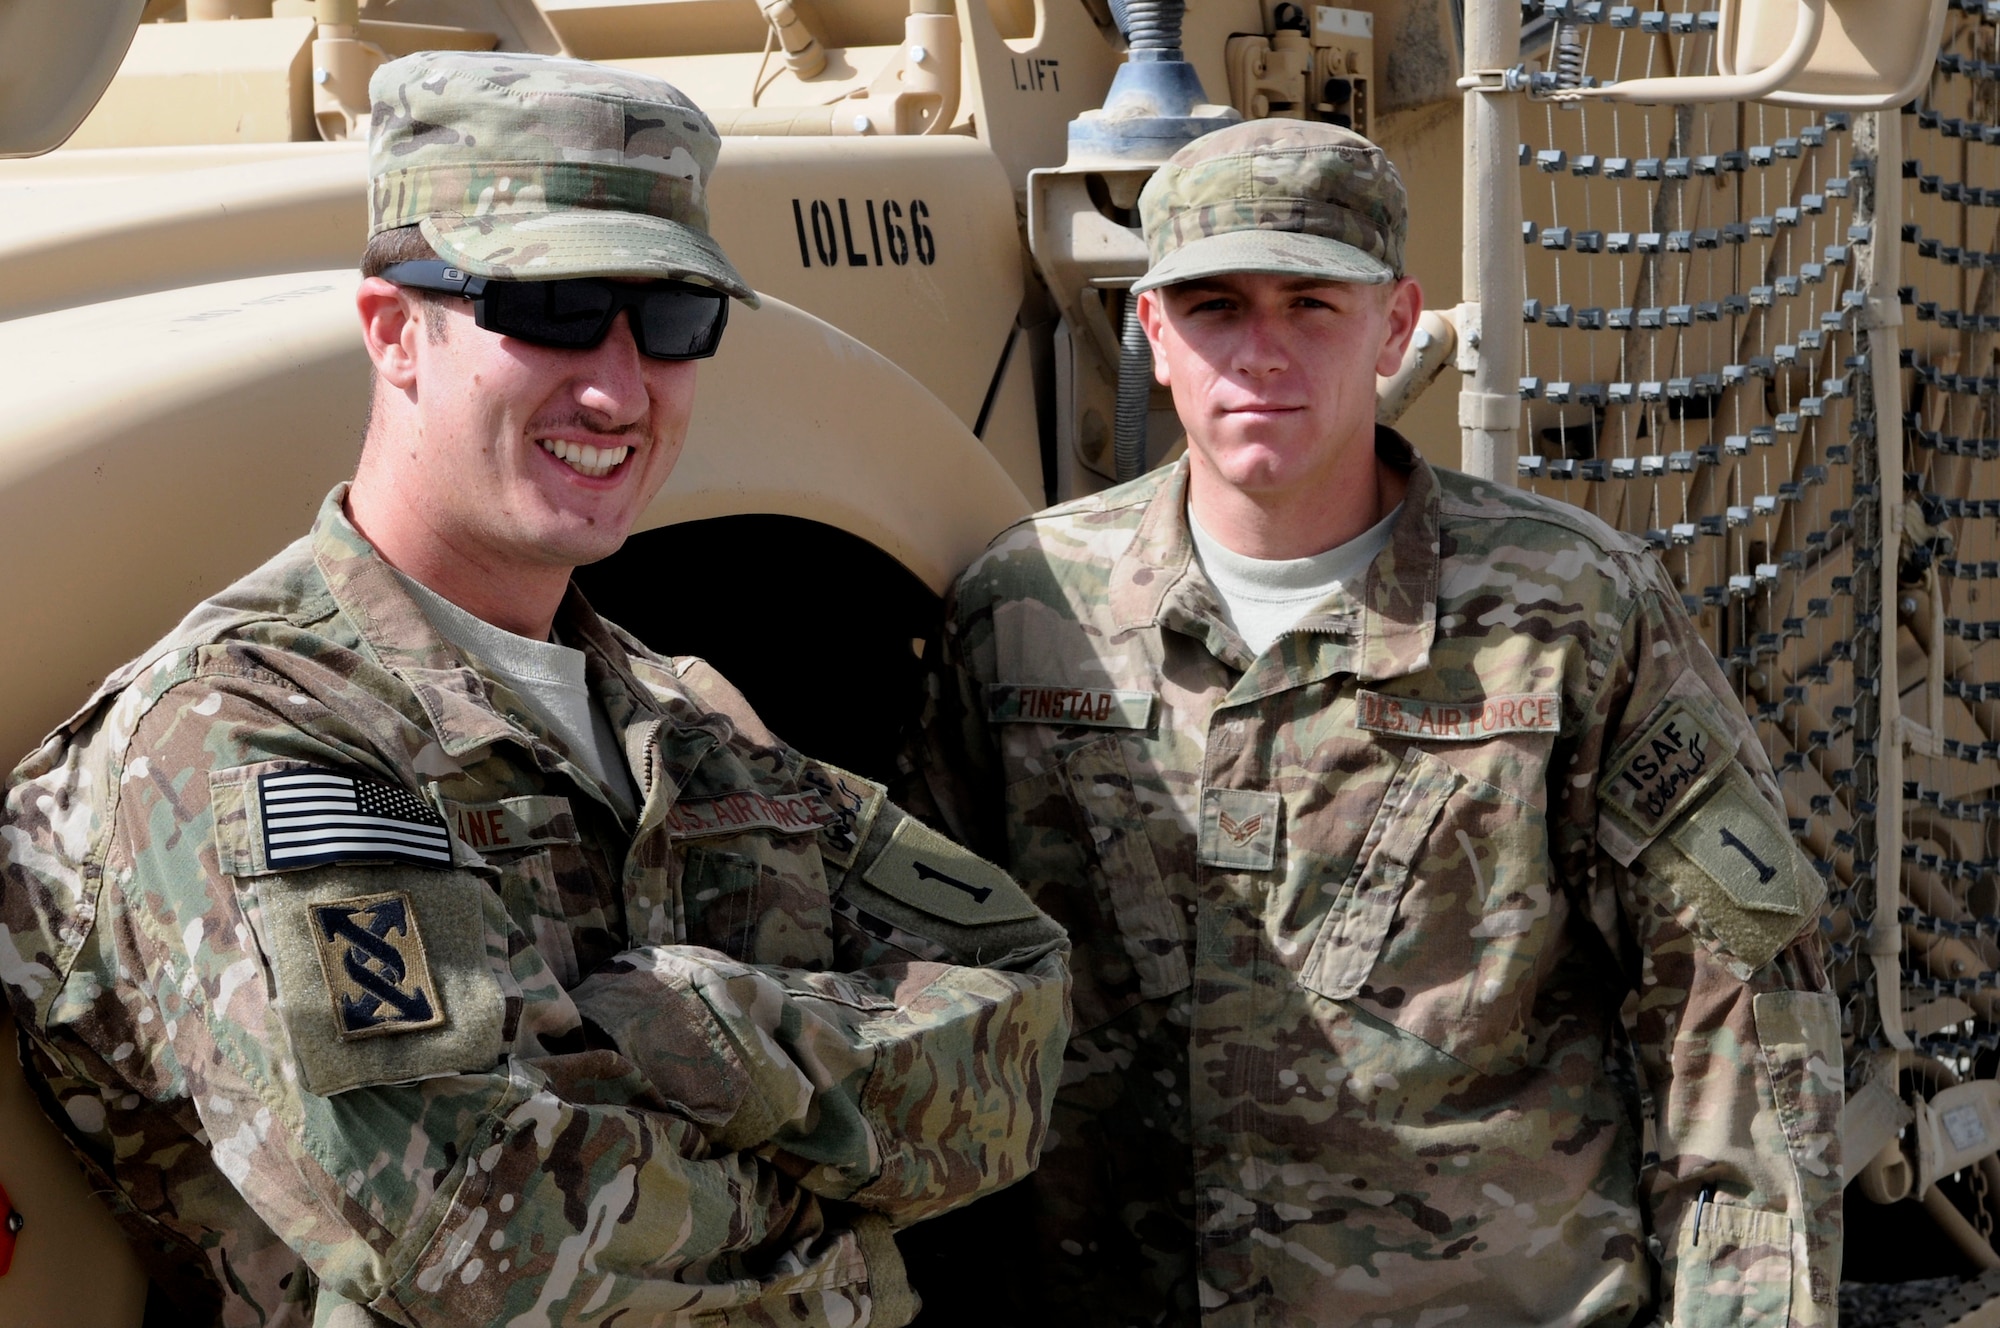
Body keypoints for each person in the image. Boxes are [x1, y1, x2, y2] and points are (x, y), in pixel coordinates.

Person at [0, 50, 1070, 1326]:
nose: (618, 387)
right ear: (396, 328)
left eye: (671, 319)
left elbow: (1022, 1015)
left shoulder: (682, 721)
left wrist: (726, 1036)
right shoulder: (249, 736)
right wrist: (842, 1229)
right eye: (551, 309)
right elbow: (468, 1234)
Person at [909, 119, 1841, 1326]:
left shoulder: (1565, 609)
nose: (1261, 354)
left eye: (1310, 303)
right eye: (1214, 308)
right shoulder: (1029, 611)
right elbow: (935, 988)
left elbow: (1733, 1007)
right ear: (1151, 330)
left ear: (1395, 325)